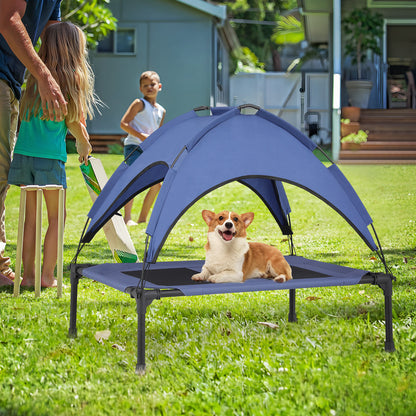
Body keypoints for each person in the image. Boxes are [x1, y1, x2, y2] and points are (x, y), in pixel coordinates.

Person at [8, 22, 97, 288]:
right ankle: (47, 277)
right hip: (50, 159)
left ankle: (29, 277)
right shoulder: (71, 77)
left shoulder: (34, 77)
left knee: (30, 220)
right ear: (73, 49)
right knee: (58, 218)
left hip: (23, 156)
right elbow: (71, 120)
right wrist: (83, 142)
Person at [0, 0, 68, 283]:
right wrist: (44, 76)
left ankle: (17, 271)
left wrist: (64, 76)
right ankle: (32, 274)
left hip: (13, 82)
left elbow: (54, 39)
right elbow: (7, 18)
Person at [120, 70, 166, 225]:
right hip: (134, 147)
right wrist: (141, 137)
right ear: (140, 89)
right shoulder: (139, 103)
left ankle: (142, 219)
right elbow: (123, 123)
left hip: (150, 150)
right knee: (133, 181)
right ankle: (127, 218)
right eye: (145, 85)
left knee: (156, 184)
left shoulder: (161, 110)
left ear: (159, 86)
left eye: (152, 84)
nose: (149, 88)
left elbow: (157, 132)